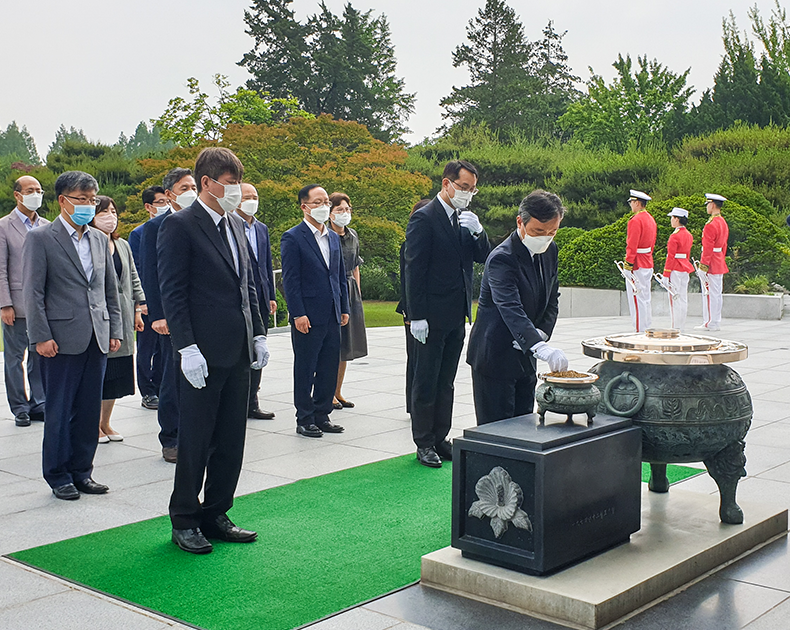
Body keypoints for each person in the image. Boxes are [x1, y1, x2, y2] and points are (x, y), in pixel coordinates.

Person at [158, 147, 268, 554]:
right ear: (207, 183)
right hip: (200, 353)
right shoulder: (181, 226)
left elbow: (248, 285)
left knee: (231, 439)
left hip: (237, 349)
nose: (237, 190)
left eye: (238, 181)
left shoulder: (237, 225)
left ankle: (217, 511)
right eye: (230, 182)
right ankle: (184, 517)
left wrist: (258, 333)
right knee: (197, 439)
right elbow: (173, 291)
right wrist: (186, 346)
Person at [23, 171, 122, 500]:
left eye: (93, 200)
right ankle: (58, 474)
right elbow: (33, 292)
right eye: (82, 200)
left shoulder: (97, 238)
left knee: (88, 408)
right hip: (59, 338)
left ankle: (83, 471)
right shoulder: (41, 238)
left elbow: (109, 288)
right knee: (60, 409)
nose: (89, 206)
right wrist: (41, 336)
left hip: (97, 334)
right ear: (63, 201)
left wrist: (114, 329)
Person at [404, 160, 491, 468]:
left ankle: (441, 436)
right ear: (446, 184)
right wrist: (417, 315)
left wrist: (479, 231)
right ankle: (424, 442)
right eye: (463, 187)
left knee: (447, 380)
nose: (467, 194)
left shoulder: (462, 218)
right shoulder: (425, 218)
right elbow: (414, 269)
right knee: (426, 380)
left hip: (456, 312)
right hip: (430, 313)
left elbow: (483, 257)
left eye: (472, 189)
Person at [467, 190, 568, 425]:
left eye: (552, 231)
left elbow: (552, 296)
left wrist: (542, 331)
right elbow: (509, 307)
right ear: (520, 222)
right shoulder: (502, 258)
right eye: (538, 232)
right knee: (498, 431)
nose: (545, 237)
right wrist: (538, 346)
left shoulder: (550, 251)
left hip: (525, 356)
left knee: (524, 426)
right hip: (495, 355)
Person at [281, 184, 350, 438]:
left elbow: (339, 275)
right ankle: (305, 417)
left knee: (328, 365)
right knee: (306, 366)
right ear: (304, 206)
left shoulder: (332, 236)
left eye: (326, 203)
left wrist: (343, 306)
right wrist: (298, 313)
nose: (323, 207)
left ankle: (322, 414)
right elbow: (290, 280)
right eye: (318, 202)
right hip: (307, 315)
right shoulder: (293, 237)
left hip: (332, 311)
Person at [139, 168, 197, 463]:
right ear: (170, 194)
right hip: (171, 315)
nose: (191, 190)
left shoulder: (202, 221)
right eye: (184, 186)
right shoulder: (155, 227)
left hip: (202, 312)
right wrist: (158, 315)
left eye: (193, 185)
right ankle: (171, 438)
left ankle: (197, 435)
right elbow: (152, 273)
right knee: (172, 379)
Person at [90, 196, 146, 443]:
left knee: (117, 374)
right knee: (100, 372)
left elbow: (133, 275)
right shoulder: (89, 244)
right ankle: (93, 425)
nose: (110, 216)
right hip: (101, 315)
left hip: (123, 313)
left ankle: (106, 422)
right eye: (104, 212)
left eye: (113, 211)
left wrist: (138, 308)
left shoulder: (121, 244)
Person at [0, 176, 49, 427]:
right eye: (31, 190)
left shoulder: (47, 225)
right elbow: (0, 269)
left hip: (41, 305)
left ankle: (38, 402)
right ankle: (19, 406)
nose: (36, 194)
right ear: (17, 195)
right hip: (16, 305)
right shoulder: (4, 226)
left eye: (39, 190)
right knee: (14, 358)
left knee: (39, 356)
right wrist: (4, 304)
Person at [235, 182, 277, 420]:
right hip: (239, 298)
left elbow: (266, 264)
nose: (252, 200)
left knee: (259, 348)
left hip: (260, 296)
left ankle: (252, 400)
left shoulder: (261, 228)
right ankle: (238, 401)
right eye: (247, 196)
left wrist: (270, 295)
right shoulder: (230, 225)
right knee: (241, 350)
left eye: (255, 196)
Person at [130, 186, 170, 411]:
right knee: (146, 347)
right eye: (160, 202)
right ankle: (147, 390)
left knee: (164, 349)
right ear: (148, 207)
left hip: (167, 300)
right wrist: (142, 302)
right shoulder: (140, 233)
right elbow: (139, 269)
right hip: (146, 300)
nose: (164, 205)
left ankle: (161, 384)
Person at [328, 192, 368, 409]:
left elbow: (355, 265)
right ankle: (326, 391)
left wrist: (357, 292)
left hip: (350, 289)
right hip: (333, 289)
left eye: (347, 209)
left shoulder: (352, 235)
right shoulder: (326, 235)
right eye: (339, 210)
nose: (344, 214)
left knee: (346, 344)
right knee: (332, 344)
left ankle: (338, 390)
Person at [396, 199, 431, 414]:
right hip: (413, 309)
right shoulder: (410, 244)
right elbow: (408, 279)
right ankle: (413, 402)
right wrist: (411, 311)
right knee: (415, 359)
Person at [622, 190, 657, 332]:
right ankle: (646, 326)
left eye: (631, 202)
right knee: (645, 297)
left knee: (636, 298)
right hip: (647, 261)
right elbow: (652, 243)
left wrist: (628, 264)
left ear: (637, 202)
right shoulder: (650, 219)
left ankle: (639, 330)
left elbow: (632, 245)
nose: (631, 205)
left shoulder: (635, 220)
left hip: (637, 263)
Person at [697, 193, 729, 332]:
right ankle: (715, 320)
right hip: (719, 260)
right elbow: (724, 245)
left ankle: (710, 322)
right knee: (716, 293)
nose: (707, 207)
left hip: (711, 262)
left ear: (712, 204)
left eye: (708, 204)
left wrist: (703, 266)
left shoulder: (711, 224)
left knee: (709, 293)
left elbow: (708, 248)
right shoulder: (722, 222)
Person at [662, 207, 693, 332]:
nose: (671, 220)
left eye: (672, 218)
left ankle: (675, 327)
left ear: (677, 219)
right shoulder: (688, 235)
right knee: (683, 298)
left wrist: (666, 274)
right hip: (685, 267)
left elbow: (670, 256)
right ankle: (682, 326)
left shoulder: (674, 236)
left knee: (674, 298)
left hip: (675, 268)